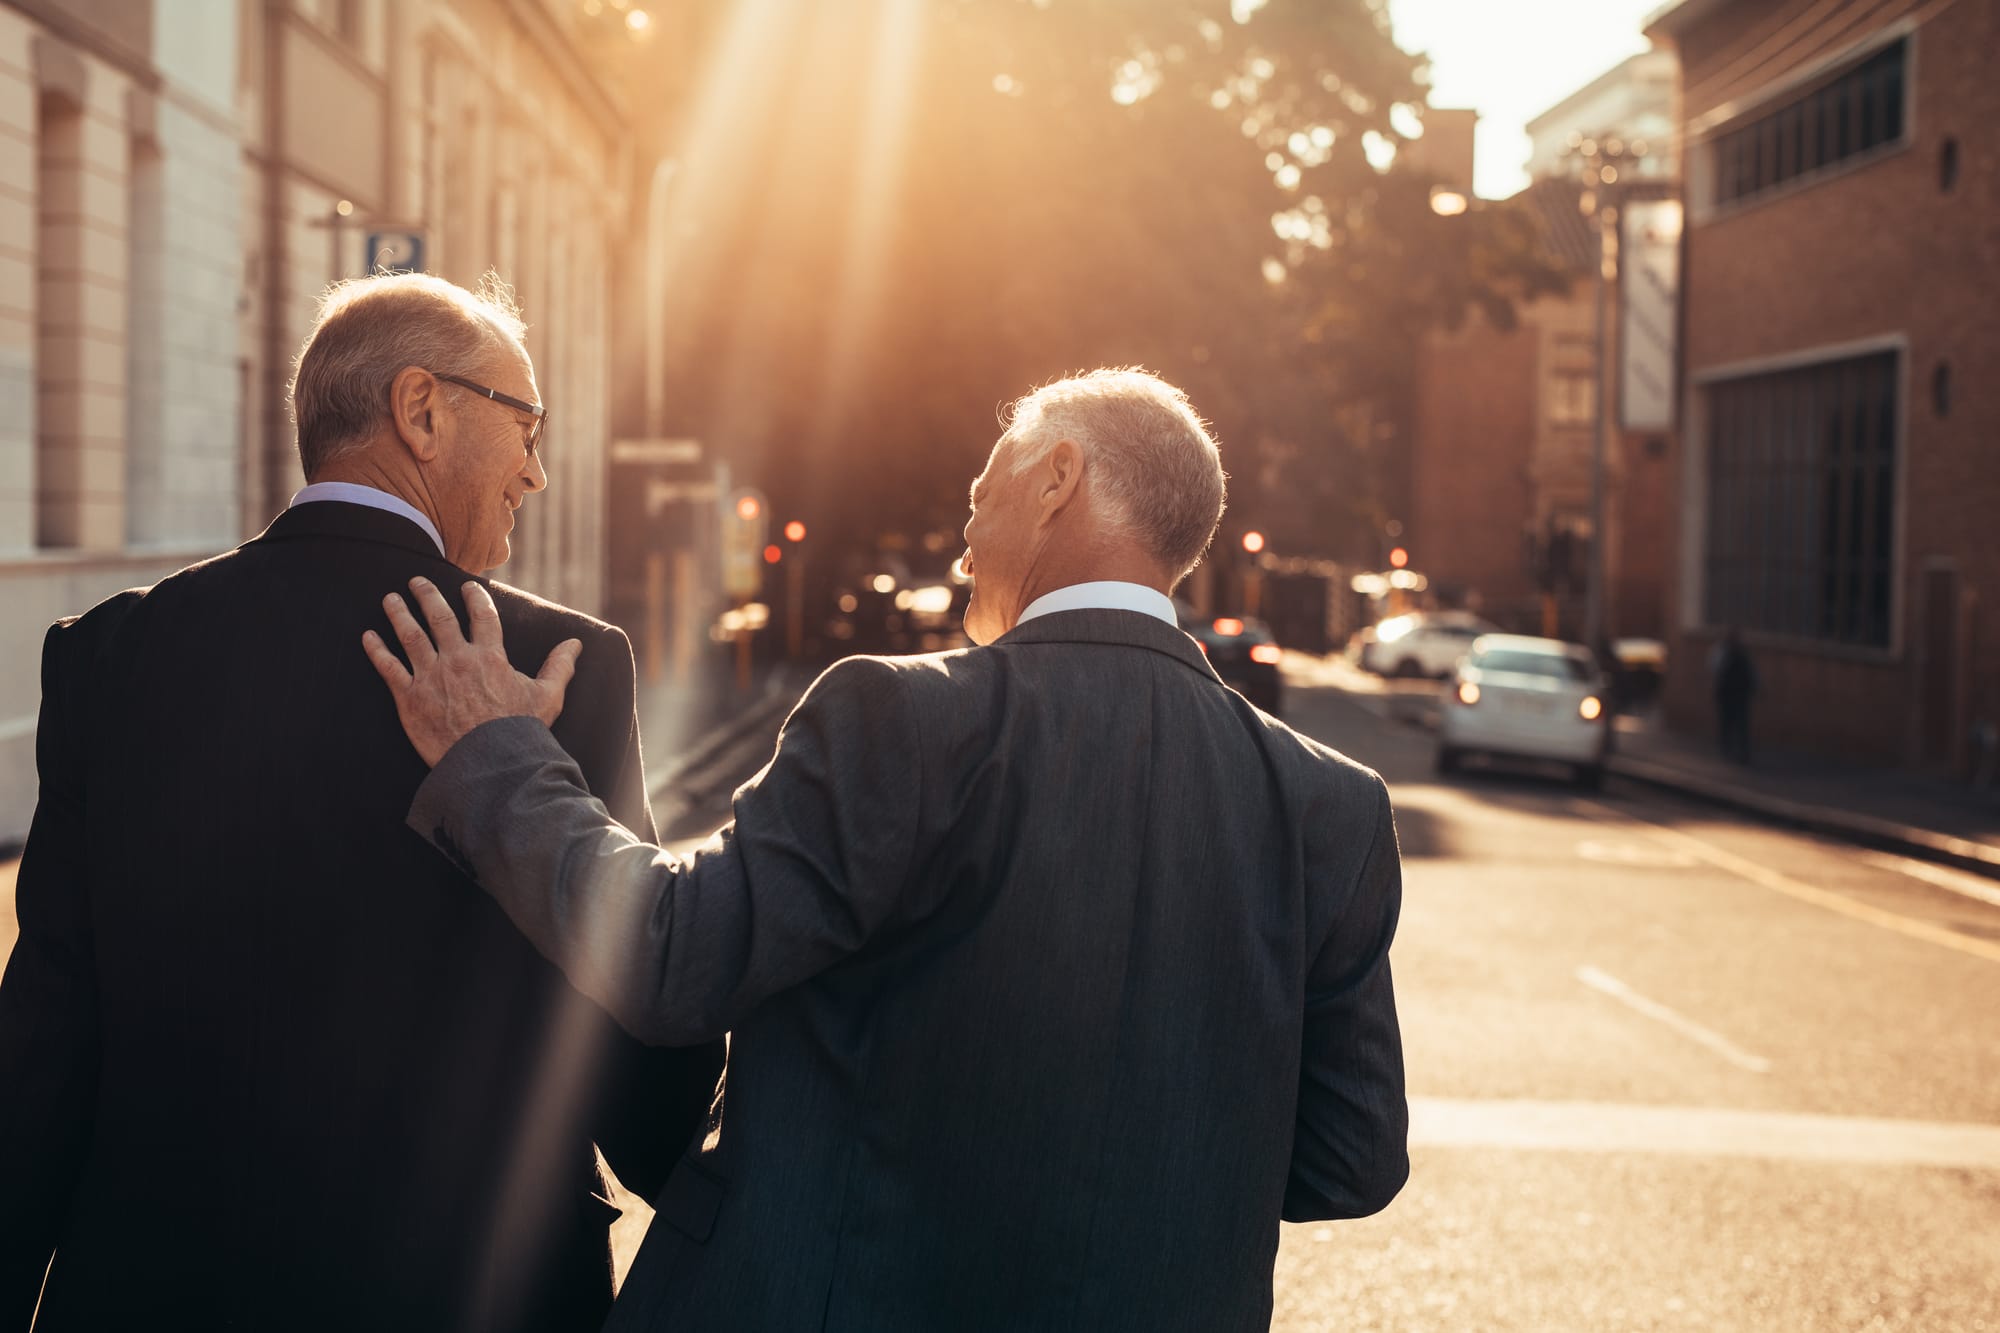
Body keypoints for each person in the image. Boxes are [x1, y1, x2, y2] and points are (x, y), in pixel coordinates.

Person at [367, 368, 1409, 1331]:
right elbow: (1350, 1156)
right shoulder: (1331, 804)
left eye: (979, 490)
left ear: (1058, 479)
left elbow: (673, 956)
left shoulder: (903, 720)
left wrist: (497, 755)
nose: (963, 537)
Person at [0, 272, 723, 1332]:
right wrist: (751, 1215)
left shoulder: (111, 651)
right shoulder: (555, 663)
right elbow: (625, 1011)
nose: (537, 469)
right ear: (421, 410)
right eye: (525, 424)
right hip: (470, 1289)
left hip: (156, 1286)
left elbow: (47, 1033)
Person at [1711, 626, 1757, 764]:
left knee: (1739, 724)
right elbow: (1715, 669)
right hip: (1729, 693)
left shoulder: (1740, 653)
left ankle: (1740, 751)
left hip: (1737, 693)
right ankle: (1730, 749)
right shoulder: (1723, 652)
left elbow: (1751, 672)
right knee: (1729, 723)